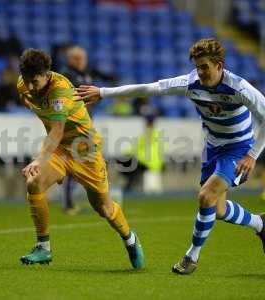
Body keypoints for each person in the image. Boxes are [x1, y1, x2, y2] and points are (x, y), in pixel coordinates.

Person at [77, 38, 265, 275]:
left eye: (205, 66)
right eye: (198, 67)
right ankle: (260, 224)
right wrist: (103, 92)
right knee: (217, 210)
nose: (201, 72)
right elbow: (149, 88)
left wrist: (252, 154)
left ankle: (191, 256)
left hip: (238, 148)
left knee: (206, 196)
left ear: (219, 65)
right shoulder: (190, 83)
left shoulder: (239, 88)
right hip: (213, 148)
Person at [16, 48, 144, 268]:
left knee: (104, 209)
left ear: (46, 74)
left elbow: (56, 132)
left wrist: (38, 159)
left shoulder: (60, 91)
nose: (29, 86)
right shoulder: (24, 84)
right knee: (34, 183)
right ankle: (43, 248)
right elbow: (28, 98)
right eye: (26, 81)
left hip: (85, 151)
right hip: (60, 150)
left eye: (34, 82)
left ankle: (130, 239)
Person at [60, 45, 94, 215]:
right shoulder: (67, 76)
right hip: (73, 126)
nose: (82, 62)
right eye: (78, 59)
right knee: (72, 165)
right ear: (70, 59)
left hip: (85, 124)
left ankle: (77, 201)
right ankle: (68, 204)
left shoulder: (84, 74)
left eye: (83, 58)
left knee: (82, 164)